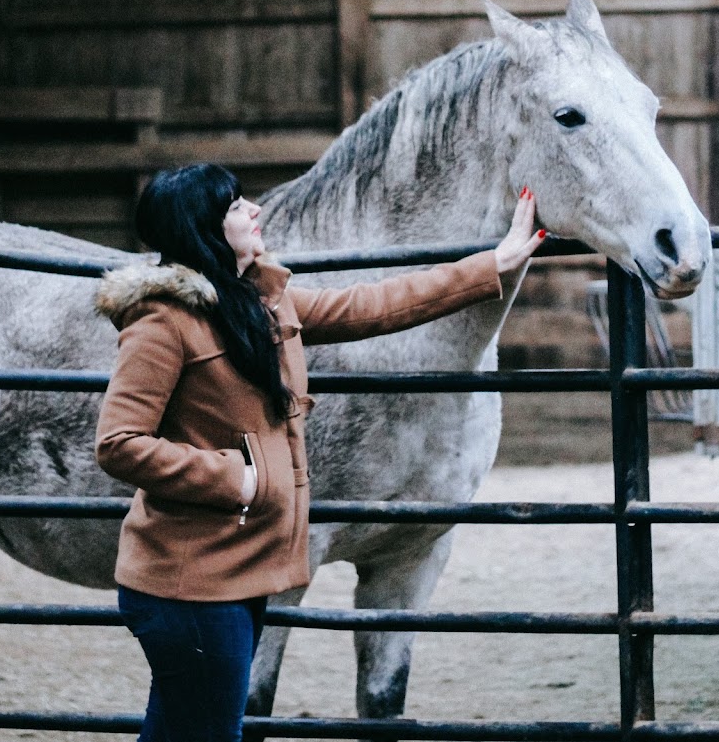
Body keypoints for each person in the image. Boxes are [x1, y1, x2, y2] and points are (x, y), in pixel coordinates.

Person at [94, 163, 543, 742]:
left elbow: (375, 305)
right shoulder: (163, 321)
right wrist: (239, 479)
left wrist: (494, 264)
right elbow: (119, 443)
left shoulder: (253, 304)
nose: (254, 210)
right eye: (234, 206)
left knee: (182, 729)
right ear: (202, 227)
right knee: (204, 732)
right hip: (191, 587)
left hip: (231, 578)